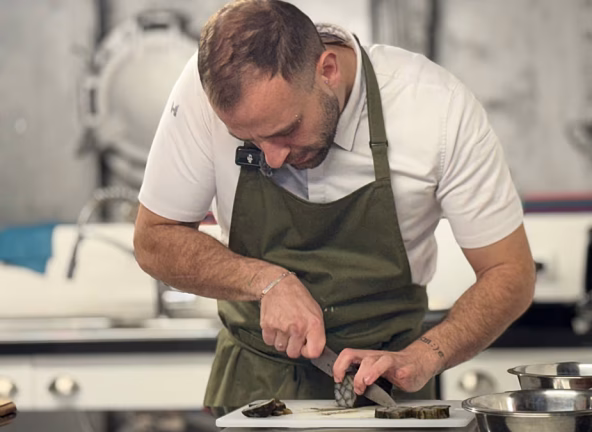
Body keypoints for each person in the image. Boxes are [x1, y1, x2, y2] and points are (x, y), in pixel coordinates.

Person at [133, 0, 535, 415]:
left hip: (393, 393)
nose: (270, 158)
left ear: (327, 70)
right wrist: (264, 280)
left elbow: (510, 272)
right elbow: (154, 239)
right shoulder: (202, 93)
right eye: (248, 140)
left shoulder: (437, 109)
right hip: (254, 386)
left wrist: (427, 355)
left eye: (286, 131)